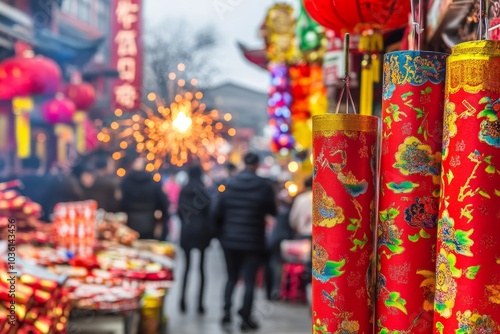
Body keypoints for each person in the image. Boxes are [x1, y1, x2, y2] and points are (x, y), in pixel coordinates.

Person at [211, 152, 277, 331]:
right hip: (253, 241)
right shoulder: (264, 186)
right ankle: (246, 318)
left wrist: (220, 235)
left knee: (231, 278)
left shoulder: (229, 184)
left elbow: (216, 212)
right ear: (257, 164)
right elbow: (273, 210)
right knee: (249, 281)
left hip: (229, 240)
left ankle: (226, 313)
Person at [177, 165, 212, 314]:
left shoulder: (183, 190)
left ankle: (182, 300)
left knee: (186, 268)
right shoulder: (204, 191)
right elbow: (210, 214)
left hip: (186, 232)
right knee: (202, 269)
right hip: (202, 233)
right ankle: (200, 304)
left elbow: (179, 212)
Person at [120, 156, 169, 239]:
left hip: (130, 224)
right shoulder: (153, 183)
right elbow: (164, 203)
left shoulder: (126, 182)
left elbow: (121, 203)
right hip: (149, 224)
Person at [265, 187, 293, 300]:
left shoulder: (276, 210)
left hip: (272, 239)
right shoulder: (287, 210)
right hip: (282, 240)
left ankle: (271, 291)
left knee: (272, 264)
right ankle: (276, 291)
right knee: (278, 266)